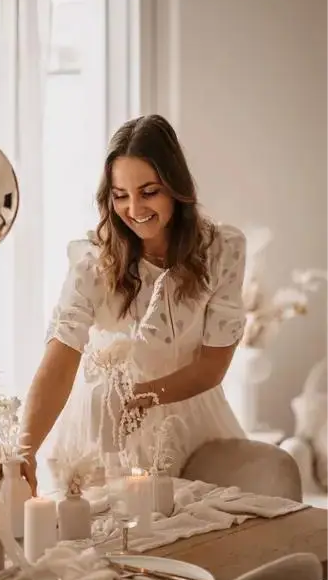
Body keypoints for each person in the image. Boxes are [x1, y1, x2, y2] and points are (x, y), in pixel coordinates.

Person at [17, 114, 246, 496]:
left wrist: (137, 398)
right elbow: (61, 352)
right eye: (120, 195)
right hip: (107, 425)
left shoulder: (222, 250)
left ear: (177, 187)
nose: (134, 208)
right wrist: (24, 449)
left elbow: (212, 365)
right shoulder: (94, 260)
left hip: (192, 416)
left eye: (149, 191)